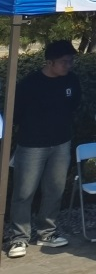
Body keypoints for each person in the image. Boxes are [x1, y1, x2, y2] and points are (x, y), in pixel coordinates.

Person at [5, 40, 81, 258]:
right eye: (64, 62)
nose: (68, 65)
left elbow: (75, 104)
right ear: (49, 62)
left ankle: (46, 232)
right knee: (24, 192)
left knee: (55, 189)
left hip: (61, 142)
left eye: (71, 61)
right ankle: (19, 237)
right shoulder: (30, 84)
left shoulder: (72, 80)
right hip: (32, 145)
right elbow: (16, 114)